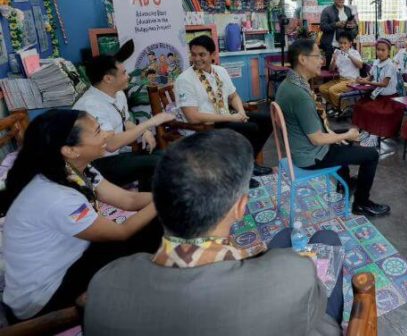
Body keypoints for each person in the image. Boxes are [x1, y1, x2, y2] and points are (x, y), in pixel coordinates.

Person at [85, 130, 344, 335]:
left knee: (285, 235)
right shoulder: (292, 275)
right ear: (241, 207)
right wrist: (301, 264)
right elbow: (315, 306)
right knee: (327, 240)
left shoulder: (104, 282)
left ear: (158, 203)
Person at [1, 110, 159, 321]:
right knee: (147, 231)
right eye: (97, 132)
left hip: (68, 264)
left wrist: (170, 193)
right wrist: (165, 199)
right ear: (70, 150)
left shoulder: (74, 170)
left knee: (152, 221)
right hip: (43, 299)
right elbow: (122, 232)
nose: (106, 136)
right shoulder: (57, 196)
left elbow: (127, 200)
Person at [275, 39, 390, 217]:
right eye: (318, 56)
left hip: (297, 147)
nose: (322, 60)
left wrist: (343, 136)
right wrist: (349, 135)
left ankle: (344, 182)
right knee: (371, 155)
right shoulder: (299, 95)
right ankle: (361, 203)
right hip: (310, 156)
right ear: (303, 60)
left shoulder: (288, 84)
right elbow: (317, 138)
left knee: (342, 138)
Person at [174, 35, 272, 179]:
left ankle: (248, 164)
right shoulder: (184, 80)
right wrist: (232, 117)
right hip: (205, 126)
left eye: (202, 54)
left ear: (213, 55)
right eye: (193, 54)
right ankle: (240, 172)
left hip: (226, 118)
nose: (197, 59)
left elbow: (233, 96)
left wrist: (241, 113)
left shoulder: (220, 71)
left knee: (267, 119)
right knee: (250, 128)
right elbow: (192, 117)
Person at [73, 54, 175, 191]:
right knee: (158, 163)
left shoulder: (118, 94)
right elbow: (111, 144)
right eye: (124, 73)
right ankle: (150, 205)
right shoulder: (91, 105)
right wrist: (150, 123)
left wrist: (144, 132)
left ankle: (148, 204)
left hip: (114, 157)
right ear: (108, 78)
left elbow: (124, 121)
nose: (128, 76)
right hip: (94, 164)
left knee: (164, 156)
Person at [352, 39, 405, 140]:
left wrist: (366, 82)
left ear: (389, 51)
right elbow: (370, 77)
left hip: (389, 98)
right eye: (378, 49)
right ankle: (365, 130)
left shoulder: (391, 65)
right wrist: (361, 80)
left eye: (383, 50)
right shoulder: (376, 62)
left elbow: (384, 84)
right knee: (359, 106)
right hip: (377, 95)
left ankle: (373, 134)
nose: (380, 52)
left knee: (372, 110)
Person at [318, 31, 362, 117]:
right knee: (322, 88)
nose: (342, 45)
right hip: (340, 79)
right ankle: (340, 107)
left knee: (332, 90)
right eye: (341, 43)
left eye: (345, 43)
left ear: (350, 43)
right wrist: (334, 60)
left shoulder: (354, 52)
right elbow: (331, 70)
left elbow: (360, 66)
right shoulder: (337, 53)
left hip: (352, 80)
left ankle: (341, 108)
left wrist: (349, 55)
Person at [319, 0, 358, 66]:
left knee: (345, 70)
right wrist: (336, 25)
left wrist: (352, 26)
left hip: (345, 47)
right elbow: (322, 27)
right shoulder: (327, 10)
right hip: (331, 46)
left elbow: (355, 27)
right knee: (330, 71)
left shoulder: (348, 10)